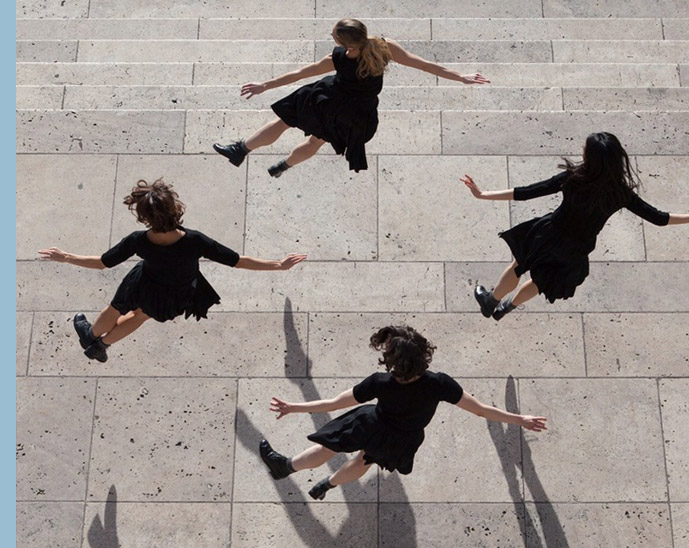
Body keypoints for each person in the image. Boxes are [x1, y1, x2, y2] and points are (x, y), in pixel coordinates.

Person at [258, 325, 546, 500]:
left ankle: (286, 467)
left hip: (370, 423)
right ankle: (328, 484)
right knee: (365, 461)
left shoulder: (380, 382)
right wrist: (520, 419)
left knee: (328, 446)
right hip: (402, 439)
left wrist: (294, 407)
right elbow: (482, 411)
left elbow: (334, 403)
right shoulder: (439, 384)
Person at [38, 178, 307, 362]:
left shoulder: (138, 240)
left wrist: (66, 257)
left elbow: (102, 262)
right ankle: (102, 346)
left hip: (144, 284)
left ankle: (91, 335)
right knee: (141, 316)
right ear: (174, 209)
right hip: (175, 294)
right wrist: (279, 265)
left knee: (117, 308)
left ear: (144, 216)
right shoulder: (195, 240)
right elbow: (237, 260)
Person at [462, 132, 689, 320]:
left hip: (550, 234)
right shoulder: (620, 193)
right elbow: (659, 218)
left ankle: (491, 301)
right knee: (542, 281)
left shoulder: (573, 178)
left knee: (518, 265)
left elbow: (528, 192)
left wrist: (483, 194)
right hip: (578, 248)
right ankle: (507, 308)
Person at [213, 18, 488, 176]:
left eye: (333, 34)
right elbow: (426, 65)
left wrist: (265, 85)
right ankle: (283, 165)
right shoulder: (384, 47)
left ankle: (242, 149)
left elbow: (300, 73)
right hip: (354, 115)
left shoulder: (338, 59)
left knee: (284, 120)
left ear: (344, 44)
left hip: (327, 99)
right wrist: (460, 76)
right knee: (316, 141)